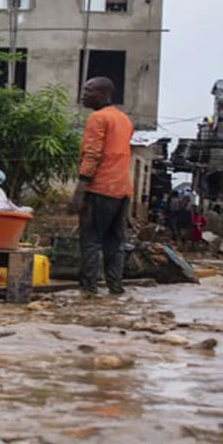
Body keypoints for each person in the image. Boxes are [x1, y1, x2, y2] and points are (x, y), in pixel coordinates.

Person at [67, 77, 134, 295]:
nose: (83, 95)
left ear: (103, 94)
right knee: (115, 242)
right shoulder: (124, 120)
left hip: (99, 188)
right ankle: (116, 288)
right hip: (122, 190)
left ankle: (89, 289)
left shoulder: (98, 118)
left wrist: (79, 191)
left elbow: (92, 154)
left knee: (91, 241)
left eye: (88, 90)